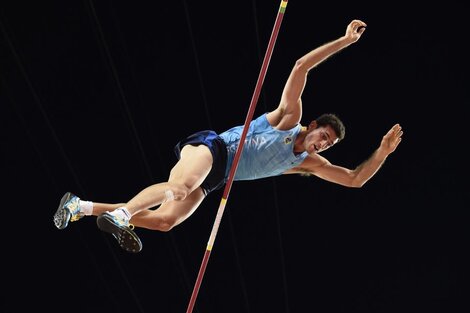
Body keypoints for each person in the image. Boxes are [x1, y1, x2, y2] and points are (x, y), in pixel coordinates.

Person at [53, 19, 403, 253]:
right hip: (212, 148)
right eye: (323, 136)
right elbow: (301, 67)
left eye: (329, 144)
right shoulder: (288, 119)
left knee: (164, 222)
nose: (323, 144)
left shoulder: (307, 164)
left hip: (217, 178)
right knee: (179, 187)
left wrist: (383, 152)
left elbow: (355, 179)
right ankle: (124, 214)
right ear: (312, 126)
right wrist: (344, 41)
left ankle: (81, 207)